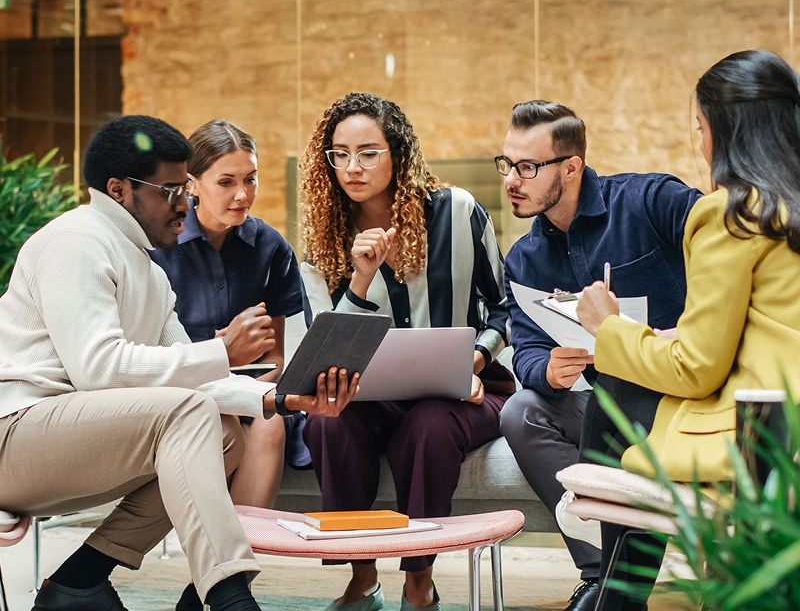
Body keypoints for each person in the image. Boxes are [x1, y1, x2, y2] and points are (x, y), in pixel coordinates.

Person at [0, 115, 357, 611]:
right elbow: (98, 369)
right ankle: (229, 597)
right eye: (170, 190)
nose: (184, 203)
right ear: (119, 190)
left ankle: (80, 581)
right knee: (190, 413)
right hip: (15, 437)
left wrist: (279, 398)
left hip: (67, 439)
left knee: (225, 432)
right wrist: (223, 350)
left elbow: (197, 378)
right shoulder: (77, 241)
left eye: (184, 188)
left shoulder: (147, 269)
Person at [575, 49, 800, 611]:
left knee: (614, 394)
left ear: (725, 132)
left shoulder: (732, 213)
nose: (699, 144)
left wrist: (610, 328)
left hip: (766, 436)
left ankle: (615, 595)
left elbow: (696, 370)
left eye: (699, 127)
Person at [299, 92, 514, 611]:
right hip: (371, 399)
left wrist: (474, 360)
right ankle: (363, 574)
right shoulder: (322, 242)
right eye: (340, 153)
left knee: (430, 425)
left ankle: (419, 576)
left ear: (397, 153)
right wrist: (360, 278)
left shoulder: (458, 212)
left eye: (369, 152)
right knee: (327, 423)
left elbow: (505, 309)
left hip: (465, 393)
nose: (352, 167)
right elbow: (325, 348)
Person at [496, 100, 701, 611]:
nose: (511, 180)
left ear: (570, 167)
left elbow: (725, 242)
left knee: (621, 386)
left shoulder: (650, 200)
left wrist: (673, 333)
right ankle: (598, 572)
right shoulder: (522, 258)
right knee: (521, 410)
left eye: (527, 167)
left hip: (677, 396)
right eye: (506, 164)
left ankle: (618, 585)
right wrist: (546, 370)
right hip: (592, 403)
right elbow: (525, 352)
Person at [150, 118, 306, 611]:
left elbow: (275, 358)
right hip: (178, 391)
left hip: (245, 392)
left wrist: (261, 373)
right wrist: (218, 347)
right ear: (191, 184)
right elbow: (144, 356)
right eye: (227, 181)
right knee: (222, 429)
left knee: (270, 422)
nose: (243, 194)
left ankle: (218, 588)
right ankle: (220, 591)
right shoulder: (157, 249)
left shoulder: (270, 247)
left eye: (251, 178)